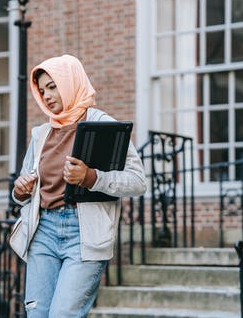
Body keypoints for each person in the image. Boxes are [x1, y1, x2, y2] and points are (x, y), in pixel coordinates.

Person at [12, 54, 147, 317]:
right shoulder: (41, 134)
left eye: (52, 86)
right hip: (43, 232)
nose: (47, 96)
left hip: (83, 235)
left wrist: (92, 177)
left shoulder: (104, 125)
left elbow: (138, 181)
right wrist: (20, 191)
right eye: (42, 91)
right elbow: (23, 188)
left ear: (69, 82)